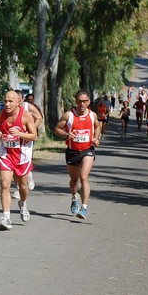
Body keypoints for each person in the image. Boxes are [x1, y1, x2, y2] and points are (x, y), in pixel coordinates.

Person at [0, 90, 38, 230]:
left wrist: (19, 133)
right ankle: (6, 217)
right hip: (6, 154)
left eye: (10, 101)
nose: (7, 104)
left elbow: (34, 136)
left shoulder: (26, 116)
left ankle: (23, 203)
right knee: (5, 184)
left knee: (23, 187)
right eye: (5, 101)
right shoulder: (0, 114)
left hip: (22, 156)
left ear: (18, 102)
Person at [54, 90, 102, 220]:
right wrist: (66, 134)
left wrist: (96, 138)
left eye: (85, 101)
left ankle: (84, 208)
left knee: (83, 177)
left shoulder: (92, 115)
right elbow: (57, 129)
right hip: (72, 151)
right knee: (74, 180)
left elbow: (98, 126)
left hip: (88, 150)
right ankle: (74, 198)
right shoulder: (68, 115)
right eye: (79, 101)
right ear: (76, 101)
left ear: (89, 102)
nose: (82, 104)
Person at [9, 90, 42, 199]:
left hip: (26, 137)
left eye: (18, 101)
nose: (16, 104)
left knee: (25, 158)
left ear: (22, 99)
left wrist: (30, 130)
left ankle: (28, 176)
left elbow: (39, 118)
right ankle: (19, 188)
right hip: (14, 138)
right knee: (14, 163)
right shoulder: (9, 109)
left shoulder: (29, 107)